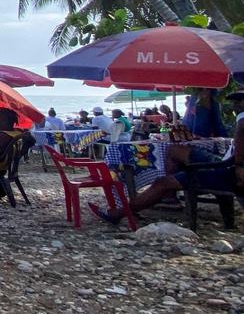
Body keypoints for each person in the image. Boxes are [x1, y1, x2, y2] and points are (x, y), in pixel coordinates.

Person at [93, 92, 244, 224]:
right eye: (235, 101)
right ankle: (170, 196)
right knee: (175, 149)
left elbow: (240, 157)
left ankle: (119, 213)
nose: (235, 105)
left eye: (239, 101)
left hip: (229, 170)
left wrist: (239, 167)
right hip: (226, 161)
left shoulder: (242, 121)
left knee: (162, 183)